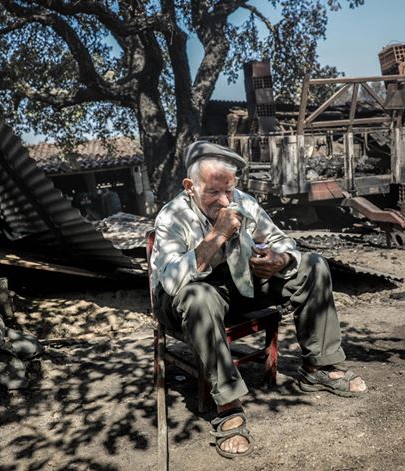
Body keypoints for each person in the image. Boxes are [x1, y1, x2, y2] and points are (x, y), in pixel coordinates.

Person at [150, 141, 367, 459]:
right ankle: (228, 406)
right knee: (199, 296)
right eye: (214, 192)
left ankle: (319, 367)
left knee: (312, 265)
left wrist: (280, 260)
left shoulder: (243, 202)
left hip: (236, 286)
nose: (225, 200)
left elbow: (282, 240)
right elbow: (172, 281)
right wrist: (217, 236)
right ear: (190, 186)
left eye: (230, 190)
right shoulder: (173, 216)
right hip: (183, 298)